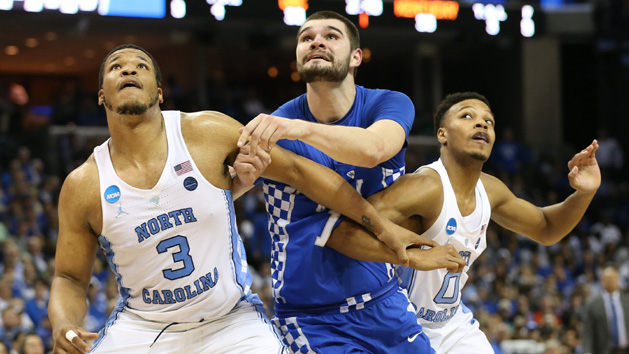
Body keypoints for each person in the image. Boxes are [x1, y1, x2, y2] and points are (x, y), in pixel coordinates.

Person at [47, 44, 434, 354]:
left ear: (160, 92)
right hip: (144, 327)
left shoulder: (207, 133)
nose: (129, 70)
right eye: (116, 66)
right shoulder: (83, 185)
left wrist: (385, 229)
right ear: (100, 95)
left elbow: (304, 173)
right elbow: (68, 277)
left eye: (141, 66)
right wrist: (64, 324)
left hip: (230, 320)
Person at [236, 10, 464, 354]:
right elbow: (227, 191)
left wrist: (301, 129)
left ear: (356, 56)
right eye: (306, 37)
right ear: (298, 57)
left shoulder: (388, 103)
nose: (316, 41)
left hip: (384, 301)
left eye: (331, 36)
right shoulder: (276, 126)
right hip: (310, 315)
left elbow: (374, 150)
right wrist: (241, 175)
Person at [326, 91, 601, 353]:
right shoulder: (424, 187)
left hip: (451, 325)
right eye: (467, 116)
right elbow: (339, 233)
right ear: (442, 135)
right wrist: (412, 257)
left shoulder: (490, 191)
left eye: (489, 120)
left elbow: (546, 228)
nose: (481, 122)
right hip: (395, 325)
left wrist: (584, 193)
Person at [582, 266, 629, 354]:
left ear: (618, 280)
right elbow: (587, 332)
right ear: (602, 281)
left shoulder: (627, 301)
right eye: (608, 279)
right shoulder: (593, 304)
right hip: (603, 350)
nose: (611, 281)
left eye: (613, 278)